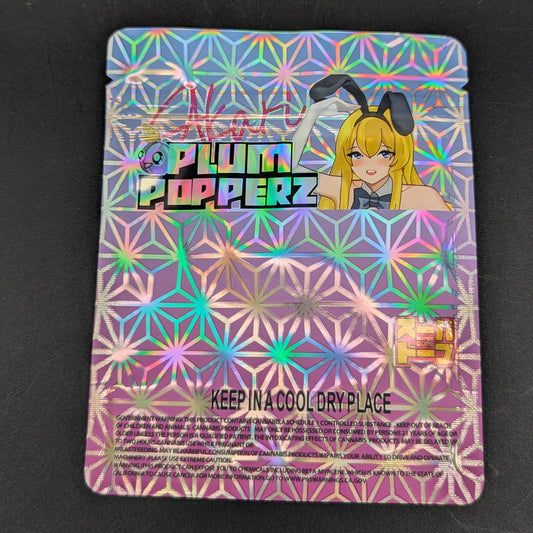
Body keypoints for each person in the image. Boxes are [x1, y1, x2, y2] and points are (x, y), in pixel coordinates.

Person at [292, 74, 450, 211]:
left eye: (384, 153)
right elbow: (286, 169)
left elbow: (450, 233)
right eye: (357, 154)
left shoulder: (423, 196)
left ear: (398, 154)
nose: (370, 165)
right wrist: (312, 114)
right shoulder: (342, 189)